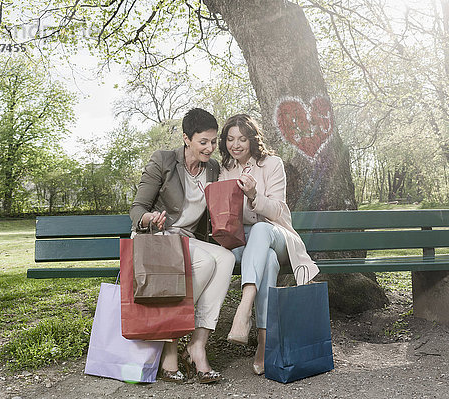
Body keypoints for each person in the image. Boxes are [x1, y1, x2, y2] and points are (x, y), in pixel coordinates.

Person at [130, 108, 235, 384]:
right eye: (204, 142)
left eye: (213, 142)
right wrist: (149, 218)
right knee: (206, 262)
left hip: (188, 240)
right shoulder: (163, 161)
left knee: (225, 259)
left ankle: (196, 344)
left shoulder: (212, 168)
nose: (210, 148)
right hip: (159, 240)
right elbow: (137, 208)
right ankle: (170, 343)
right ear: (187, 139)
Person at [218, 114, 320, 375]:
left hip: (277, 235)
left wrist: (254, 195)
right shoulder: (225, 169)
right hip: (244, 243)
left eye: (242, 138)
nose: (236, 145)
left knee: (262, 230)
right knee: (268, 262)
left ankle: (244, 308)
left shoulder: (272, 164)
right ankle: (264, 342)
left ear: (252, 139)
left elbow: (278, 211)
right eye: (230, 139)